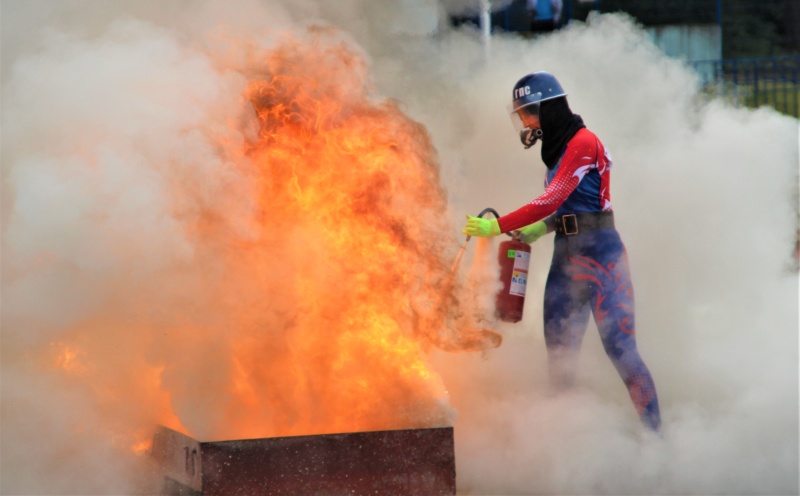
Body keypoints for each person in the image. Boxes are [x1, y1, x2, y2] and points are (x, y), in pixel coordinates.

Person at [463, 71, 661, 431]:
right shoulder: (557, 150)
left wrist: (498, 225)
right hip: (566, 255)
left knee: (622, 352)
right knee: (560, 361)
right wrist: (543, 228)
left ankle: (657, 439)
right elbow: (565, 206)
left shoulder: (583, 143)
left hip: (601, 257)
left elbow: (551, 199)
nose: (524, 121)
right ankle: (566, 453)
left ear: (547, 108)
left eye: (528, 112)